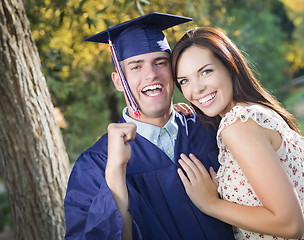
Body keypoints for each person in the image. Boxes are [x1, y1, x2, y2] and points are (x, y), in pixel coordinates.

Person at [171, 27, 304, 240]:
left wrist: (211, 204)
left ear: (230, 66)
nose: (196, 89)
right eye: (184, 81)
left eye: (206, 71)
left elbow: (289, 224)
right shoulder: (253, 112)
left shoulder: (239, 124)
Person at [64, 14, 235, 240]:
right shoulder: (95, 164)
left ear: (173, 73)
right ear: (118, 81)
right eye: (136, 67)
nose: (151, 74)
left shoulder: (210, 128)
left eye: (160, 63)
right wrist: (115, 173)